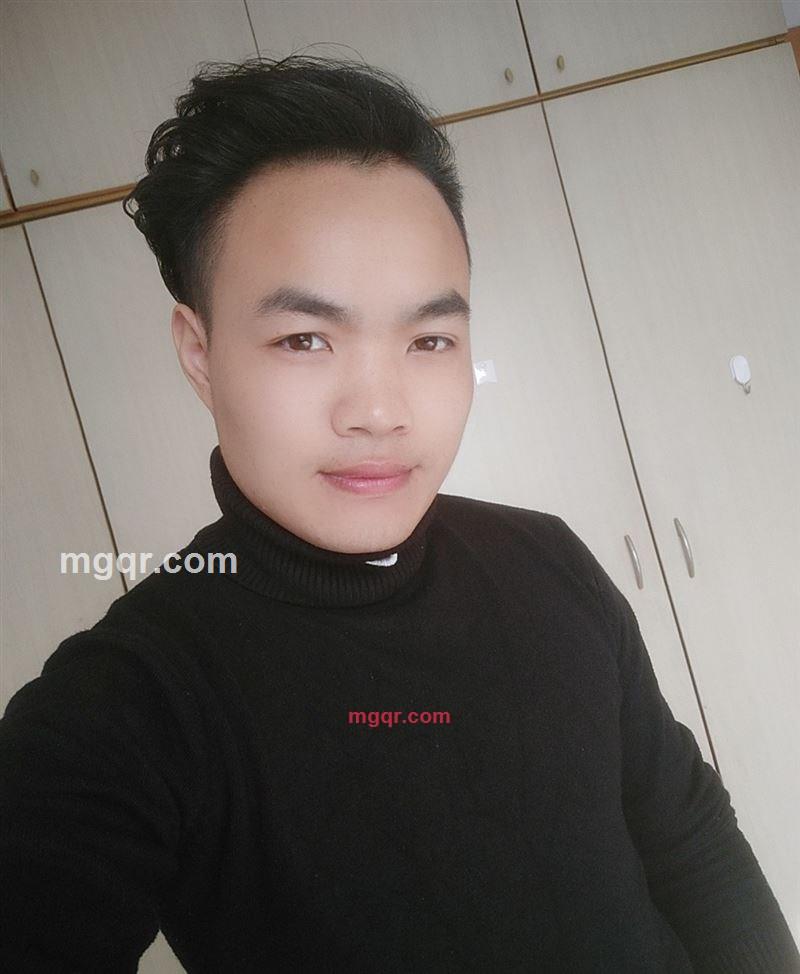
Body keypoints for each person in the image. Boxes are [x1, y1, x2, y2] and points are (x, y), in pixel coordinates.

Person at [1, 53, 798, 973]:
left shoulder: (544, 557)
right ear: (199, 353)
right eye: (305, 338)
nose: (379, 411)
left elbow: (692, 841)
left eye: (429, 339)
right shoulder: (128, 700)